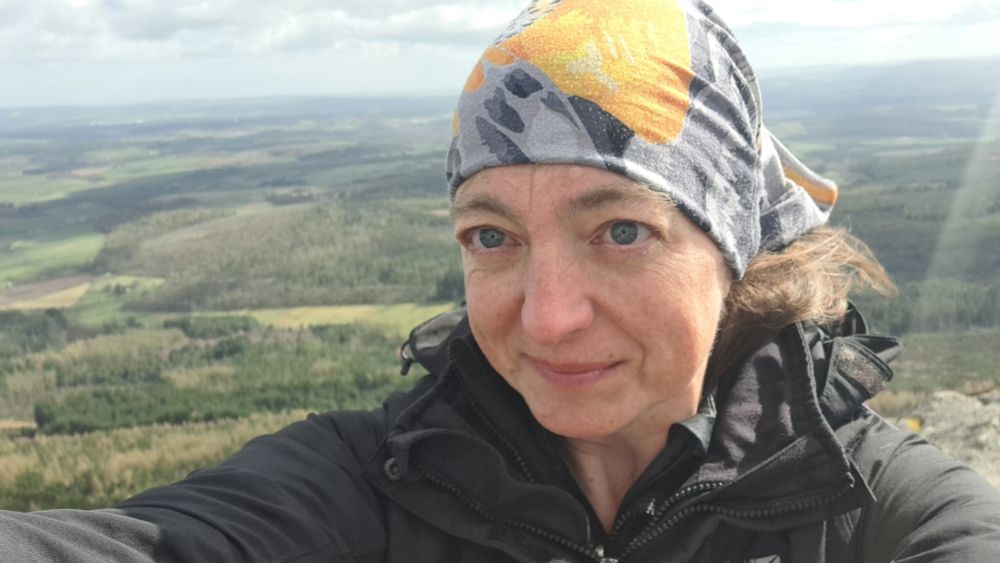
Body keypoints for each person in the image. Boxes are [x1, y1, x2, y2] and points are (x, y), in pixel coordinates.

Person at [3, 0, 1000, 561]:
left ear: (733, 252)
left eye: (619, 228)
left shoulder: (870, 507)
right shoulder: (366, 487)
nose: (549, 313)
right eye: (490, 236)